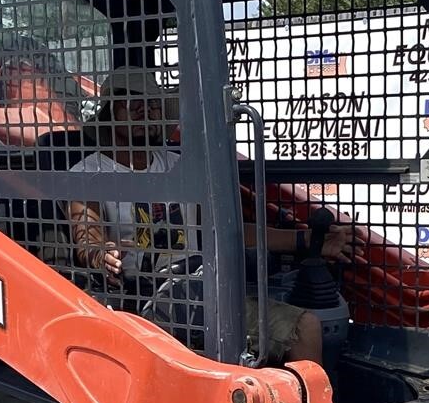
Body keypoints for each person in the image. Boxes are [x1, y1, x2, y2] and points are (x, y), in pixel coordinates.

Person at [67, 65, 348, 364]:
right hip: (148, 298)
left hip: (203, 286)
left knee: (306, 328)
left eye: (151, 103)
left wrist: (310, 240)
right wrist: (102, 255)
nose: (144, 111)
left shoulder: (183, 168)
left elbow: (225, 229)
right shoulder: (87, 175)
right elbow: (87, 236)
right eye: (132, 103)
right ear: (110, 112)